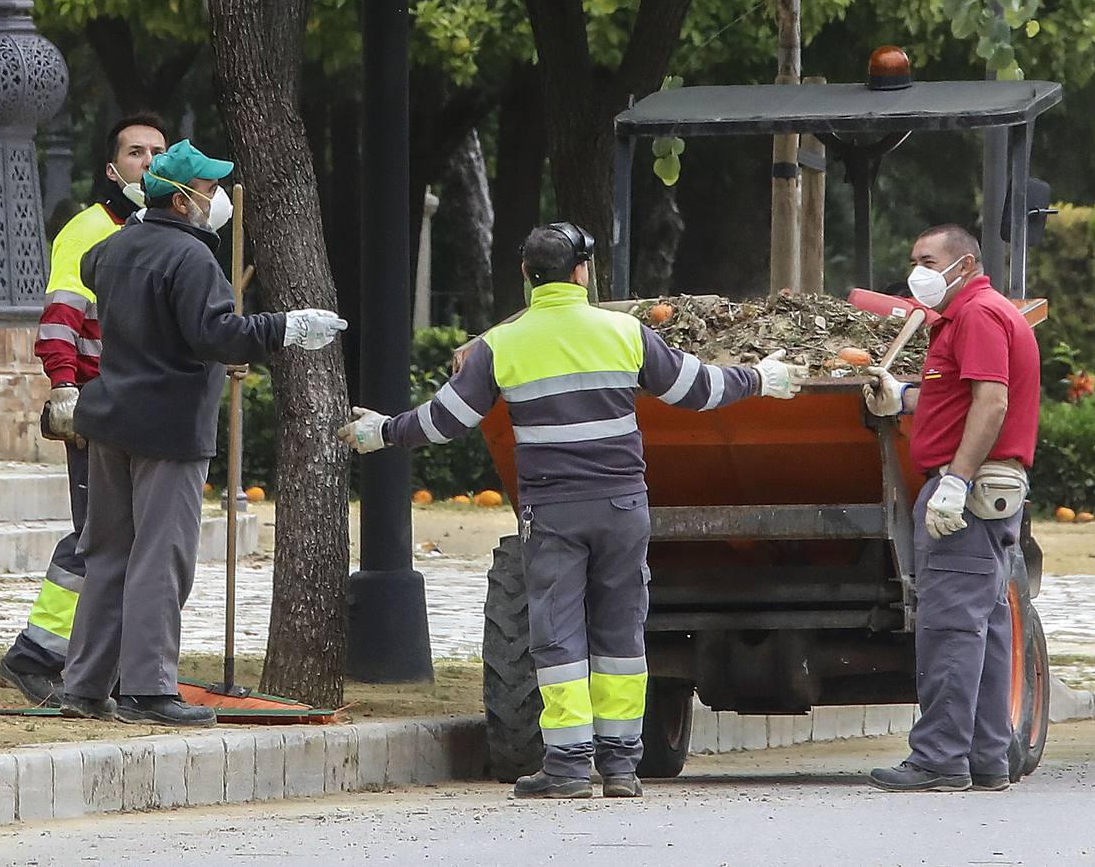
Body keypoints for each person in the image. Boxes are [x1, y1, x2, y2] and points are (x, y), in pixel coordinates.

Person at [338, 222, 804, 799]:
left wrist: (379, 432)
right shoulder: (624, 332)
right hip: (623, 508)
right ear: (583, 271)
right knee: (621, 632)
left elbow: (445, 421)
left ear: (525, 274)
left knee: (557, 635)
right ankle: (621, 767)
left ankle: (566, 766)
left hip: (553, 512)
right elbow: (698, 389)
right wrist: (763, 377)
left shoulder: (500, 345)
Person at [59, 139, 348, 727]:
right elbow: (215, 334)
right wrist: (284, 327)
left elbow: (94, 272)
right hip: (169, 428)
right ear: (184, 198)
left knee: (109, 554)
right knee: (160, 558)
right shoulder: (191, 259)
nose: (216, 199)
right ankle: (147, 690)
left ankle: (85, 686)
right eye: (211, 190)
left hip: (111, 418)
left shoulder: (114, 248)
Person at [0, 114, 169, 706]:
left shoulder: (157, 233)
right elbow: (61, 321)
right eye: (136, 152)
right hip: (96, 408)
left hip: (133, 410)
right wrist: (66, 390)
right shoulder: (86, 232)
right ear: (111, 167)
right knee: (96, 537)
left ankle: (100, 664)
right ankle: (37, 653)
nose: (148, 163)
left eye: (157, 153)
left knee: (117, 537)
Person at [862, 225, 1039, 793]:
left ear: (962, 263)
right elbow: (956, 398)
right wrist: (903, 397)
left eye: (927, 259)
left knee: (950, 627)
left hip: (970, 492)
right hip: (986, 490)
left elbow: (992, 402)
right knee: (983, 624)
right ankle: (987, 756)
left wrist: (956, 482)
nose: (917, 271)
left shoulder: (978, 316)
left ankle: (939, 758)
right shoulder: (973, 315)